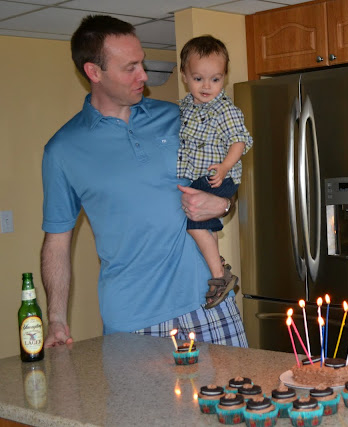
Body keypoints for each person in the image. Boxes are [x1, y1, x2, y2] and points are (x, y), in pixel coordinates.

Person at [41, 15, 248, 348]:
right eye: (130, 68)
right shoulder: (63, 150)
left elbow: (223, 184)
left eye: (142, 63)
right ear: (94, 72)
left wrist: (223, 203)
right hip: (133, 321)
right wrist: (56, 319)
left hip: (210, 302)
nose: (144, 76)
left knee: (243, 385)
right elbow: (57, 242)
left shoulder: (180, 116)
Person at [177, 35, 253, 308]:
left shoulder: (225, 110)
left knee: (195, 223)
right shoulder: (184, 107)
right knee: (200, 224)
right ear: (185, 76)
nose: (207, 86)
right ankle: (217, 263)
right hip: (198, 177)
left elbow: (239, 141)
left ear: (224, 77)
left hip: (218, 176)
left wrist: (224, 167)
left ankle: (220, 275)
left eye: (215, 79)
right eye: (198, 79)